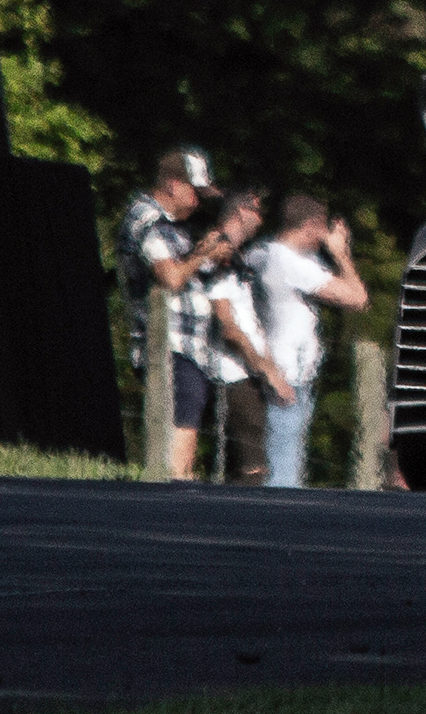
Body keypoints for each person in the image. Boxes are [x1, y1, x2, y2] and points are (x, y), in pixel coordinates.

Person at [115, 146, 245, 481]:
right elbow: (171, 277)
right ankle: (174, 493)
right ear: (174, 184)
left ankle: (176, 487)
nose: (199, 201)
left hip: (187, 348)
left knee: (188, 417)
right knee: (179, 432)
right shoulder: (147, 219)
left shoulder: (174, 227)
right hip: (168, 346)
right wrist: (203, 253)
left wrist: (212, 256)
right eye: (195, 192)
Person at [245, 194, 372, 488]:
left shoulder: (261, 252)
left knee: (277, 462)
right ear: (311, 226)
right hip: (287, 375)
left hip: (276, 367)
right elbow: (358, 298)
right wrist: (340, 254)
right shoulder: (289, 262)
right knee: (284, 472)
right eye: (322, 229)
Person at [197, 195, 273, 483]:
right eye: (258, 211)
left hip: (244, 371)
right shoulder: (218, 250)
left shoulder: (235, 255)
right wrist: (264, 367)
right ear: (242, 210)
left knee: (239, 469)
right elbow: (227, 324)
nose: (261, 220)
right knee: (252, 473)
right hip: (232, 373)